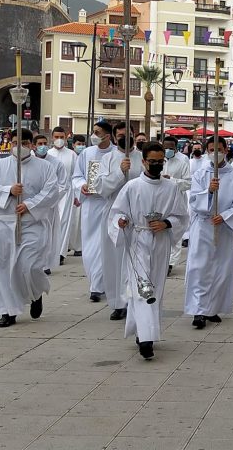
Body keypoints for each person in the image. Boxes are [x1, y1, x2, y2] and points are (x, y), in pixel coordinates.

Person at [109, 142, 189, 359]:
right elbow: (116, 213)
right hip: (138, 240)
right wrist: (122, 222)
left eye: (160, 161)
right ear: (143, 161)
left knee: (156, 287)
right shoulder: (132, 187)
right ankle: (147, 339)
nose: (156, 165)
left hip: (160, 241)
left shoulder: (171, 188)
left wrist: (167, 223)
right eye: (152, 161)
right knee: (142, 288)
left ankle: (142, 329)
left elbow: (182, 216)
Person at [0, 130, 60, 328]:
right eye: (15, 142)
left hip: (30, 223)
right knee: (3, 268)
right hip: (4, 223)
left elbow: (52, 191)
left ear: (31, 145)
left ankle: (35, 293)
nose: (19, 146)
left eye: (23, 142)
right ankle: (8, 310)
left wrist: (30, 205)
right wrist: (8, 190)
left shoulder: (44, 167)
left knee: (29, 265)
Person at [185, 135, 233, 329]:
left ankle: (213, 308)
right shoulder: (201, 174)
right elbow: (194, 201)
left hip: (223, 228)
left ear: (225, 150)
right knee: (199, 268)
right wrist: (209, 192)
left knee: (221, 269)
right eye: (211, 149)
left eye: (218, 149)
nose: (214, 153)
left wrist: (226, 216)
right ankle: (199, 310)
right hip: (203, 225)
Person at [91, 123, 145, 321]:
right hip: (114, 212)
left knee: (137, 259)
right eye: (120, 135)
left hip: (138, 215)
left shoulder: (142, 157)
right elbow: (100, 186)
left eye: (128, 134)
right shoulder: (107, 159)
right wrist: (119, 172)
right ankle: (118, 303)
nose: (124, 138)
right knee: (114, 259)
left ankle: (135, 298)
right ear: (114, 137)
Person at [72, 121, 115, 302]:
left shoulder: (116, 154)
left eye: (98, 132)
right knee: (90, 246)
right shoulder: (87, 153)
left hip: (109, 204)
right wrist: (81, 186)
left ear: (108, 135)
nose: (94, 135)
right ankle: (95, 282)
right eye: (93, 132)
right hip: (90, 205)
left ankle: (98, 286)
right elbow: (77, 175)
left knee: (103, 245)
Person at [33, 134, 68, 275]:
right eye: (39, 143)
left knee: (48, 234)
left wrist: (48, 199)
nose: (42, 146)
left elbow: (63, 185)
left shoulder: (56, 163)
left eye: (44, 143)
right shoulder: (29, 161)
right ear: (33, 145)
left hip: (49, 206)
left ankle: (46, 263)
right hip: (32, 206)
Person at [45, 127, 78, 268]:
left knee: (63, 221)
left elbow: (77, 176)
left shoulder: (72, 155)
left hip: (67, 191)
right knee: (50, 222)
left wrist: (77, 195)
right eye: (56, 136)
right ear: (52, 137)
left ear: (66, 137)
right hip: (50, 192)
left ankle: (60, 253)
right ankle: (49, 251)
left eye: (62, 136)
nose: (59, 139)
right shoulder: (47, 154)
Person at [161, 136, 192, 275]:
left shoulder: (182, 162)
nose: (168, 150)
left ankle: (170, 263)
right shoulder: (157, 161)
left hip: (176, 201)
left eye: (171, 148)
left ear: (175, 148)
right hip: (159, 201)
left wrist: (172, 181)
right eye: (165, 147)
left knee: (174, 230)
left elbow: (188, 183)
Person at [68, 135, 87, 257]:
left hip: (81, 192)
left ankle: (78, 246)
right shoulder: (71, 156)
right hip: (68, 192)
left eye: (82, 144)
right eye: (78, 144)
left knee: (79, 221)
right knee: (69, 221)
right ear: (73, 144)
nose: (81, 146)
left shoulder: (85, 156)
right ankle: (68, 245)